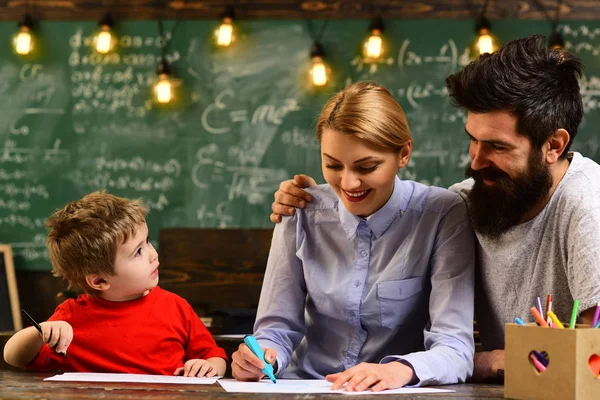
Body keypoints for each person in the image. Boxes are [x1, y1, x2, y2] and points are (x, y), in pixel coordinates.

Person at [269, 35, 600, 381]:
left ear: (554, 145)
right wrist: (298, 200)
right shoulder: (470, 200)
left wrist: (485, 361)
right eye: (472, 138)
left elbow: (596, 357)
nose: (476, 159)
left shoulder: (588, 207)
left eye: (497, 146)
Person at [232, 81, 476, 391]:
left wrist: (399, 370)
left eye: (367, 166)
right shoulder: (300, 210)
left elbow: (455, 348)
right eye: (332, 165)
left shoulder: (442, 214)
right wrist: (262, 360)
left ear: (403, 154)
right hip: (306, 388)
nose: (348, 183)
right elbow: (276, 330)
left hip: (393, 393)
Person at [3, 191, 227, 377]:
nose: (152, 254)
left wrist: (209, 367)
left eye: (147, 242)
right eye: (138, 252)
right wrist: (38, 332)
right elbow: (13, 357)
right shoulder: (70, 318)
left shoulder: (176, 308)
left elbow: (216, 357)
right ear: (100, 280)